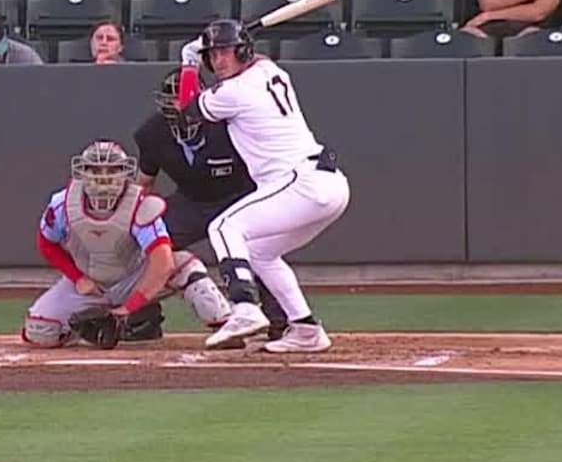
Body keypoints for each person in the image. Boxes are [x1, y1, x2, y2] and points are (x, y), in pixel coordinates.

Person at [172, 19, 351, 353]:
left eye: (226, 52)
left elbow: (187, 110)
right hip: (325, 184)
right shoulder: (271, 70)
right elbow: (256, 62)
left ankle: (244, 308)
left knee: (223, 226)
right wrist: (211, 49)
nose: (220, 61)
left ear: (243, 51)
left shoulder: (235, 92)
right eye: (214, 54)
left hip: (300, 182)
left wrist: (188, 64)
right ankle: (306, 329)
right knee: (260, 253)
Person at [21, 139, 232, 349]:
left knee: (185, 267)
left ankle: (224, 324)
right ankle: (102, 327)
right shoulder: (62, 203)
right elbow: (46, 244)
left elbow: (162, 262)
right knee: (39, 331)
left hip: (134, 277)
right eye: (96, 171)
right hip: (90, 282)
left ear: (124, 173)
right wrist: (78, 278)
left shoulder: (140, 205)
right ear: (82, 173)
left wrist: (131, 306)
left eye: (112, 170)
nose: (104, 178)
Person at [124, 67, 285, 342]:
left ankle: (279, 321)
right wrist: (129, 219)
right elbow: (144, 182)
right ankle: (142, 318)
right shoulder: (152, 133)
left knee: (260, 249)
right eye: (173, 99)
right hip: (192, 201)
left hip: (239, 199)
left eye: (186, 97)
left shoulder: (231, 125)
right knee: (141, 243)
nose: (180, 105)